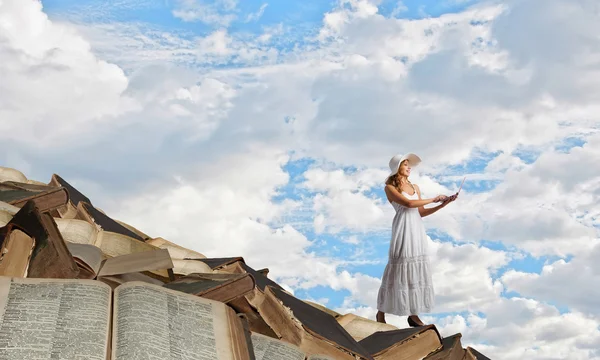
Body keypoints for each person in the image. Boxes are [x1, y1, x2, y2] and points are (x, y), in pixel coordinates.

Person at [375, 153, 457, 326]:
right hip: (403, 228)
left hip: (416, 229)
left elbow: (420, 212)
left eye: (408, 165)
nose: (409, 167)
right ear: (397, 168)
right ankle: (380, 312)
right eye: (405, 164)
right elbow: (409, 204)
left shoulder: (415, 187)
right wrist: (435, 198)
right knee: (398, 267)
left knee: (416, 270)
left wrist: (443, 204)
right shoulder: (389, 187)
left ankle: (413, 314)